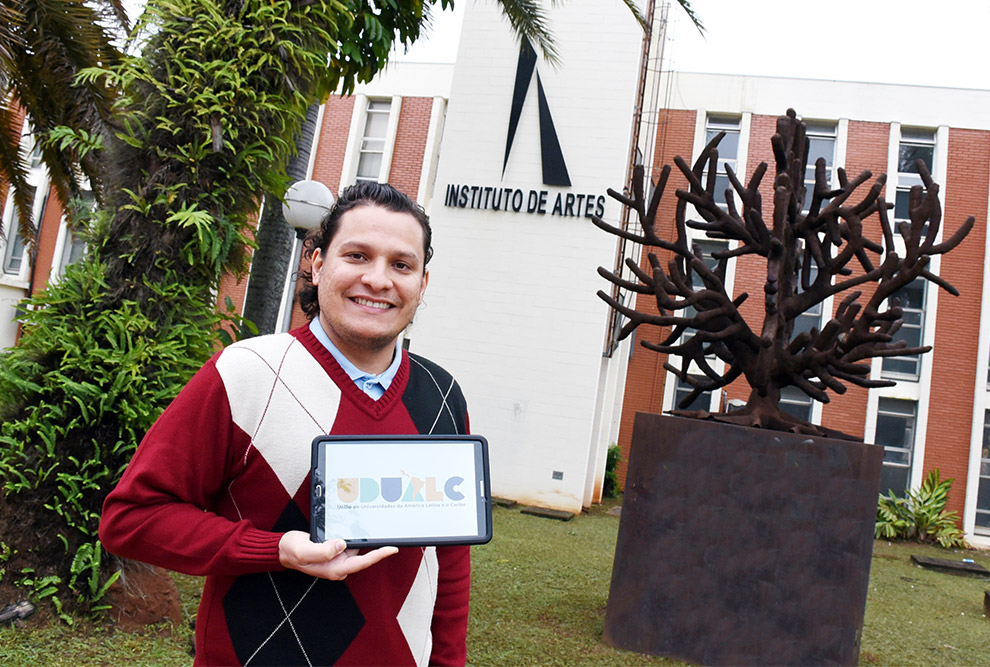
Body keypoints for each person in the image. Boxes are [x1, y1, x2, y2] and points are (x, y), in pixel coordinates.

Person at [99, 182, 471, 666]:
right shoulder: (247, 373)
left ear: (422, 283)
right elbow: (132, 519)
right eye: (357, 256)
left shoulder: (442, 395)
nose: (378, 279)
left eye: (401, 264)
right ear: (317, 264)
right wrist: (276, 549)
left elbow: (450, 563)